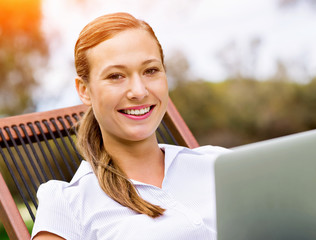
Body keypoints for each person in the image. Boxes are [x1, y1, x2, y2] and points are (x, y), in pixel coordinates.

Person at [31, 12, 229, 240]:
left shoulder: (218, 163)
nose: (139, 91)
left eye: (150, 71)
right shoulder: (68, 203)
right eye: (116, 76)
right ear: (84, 90)